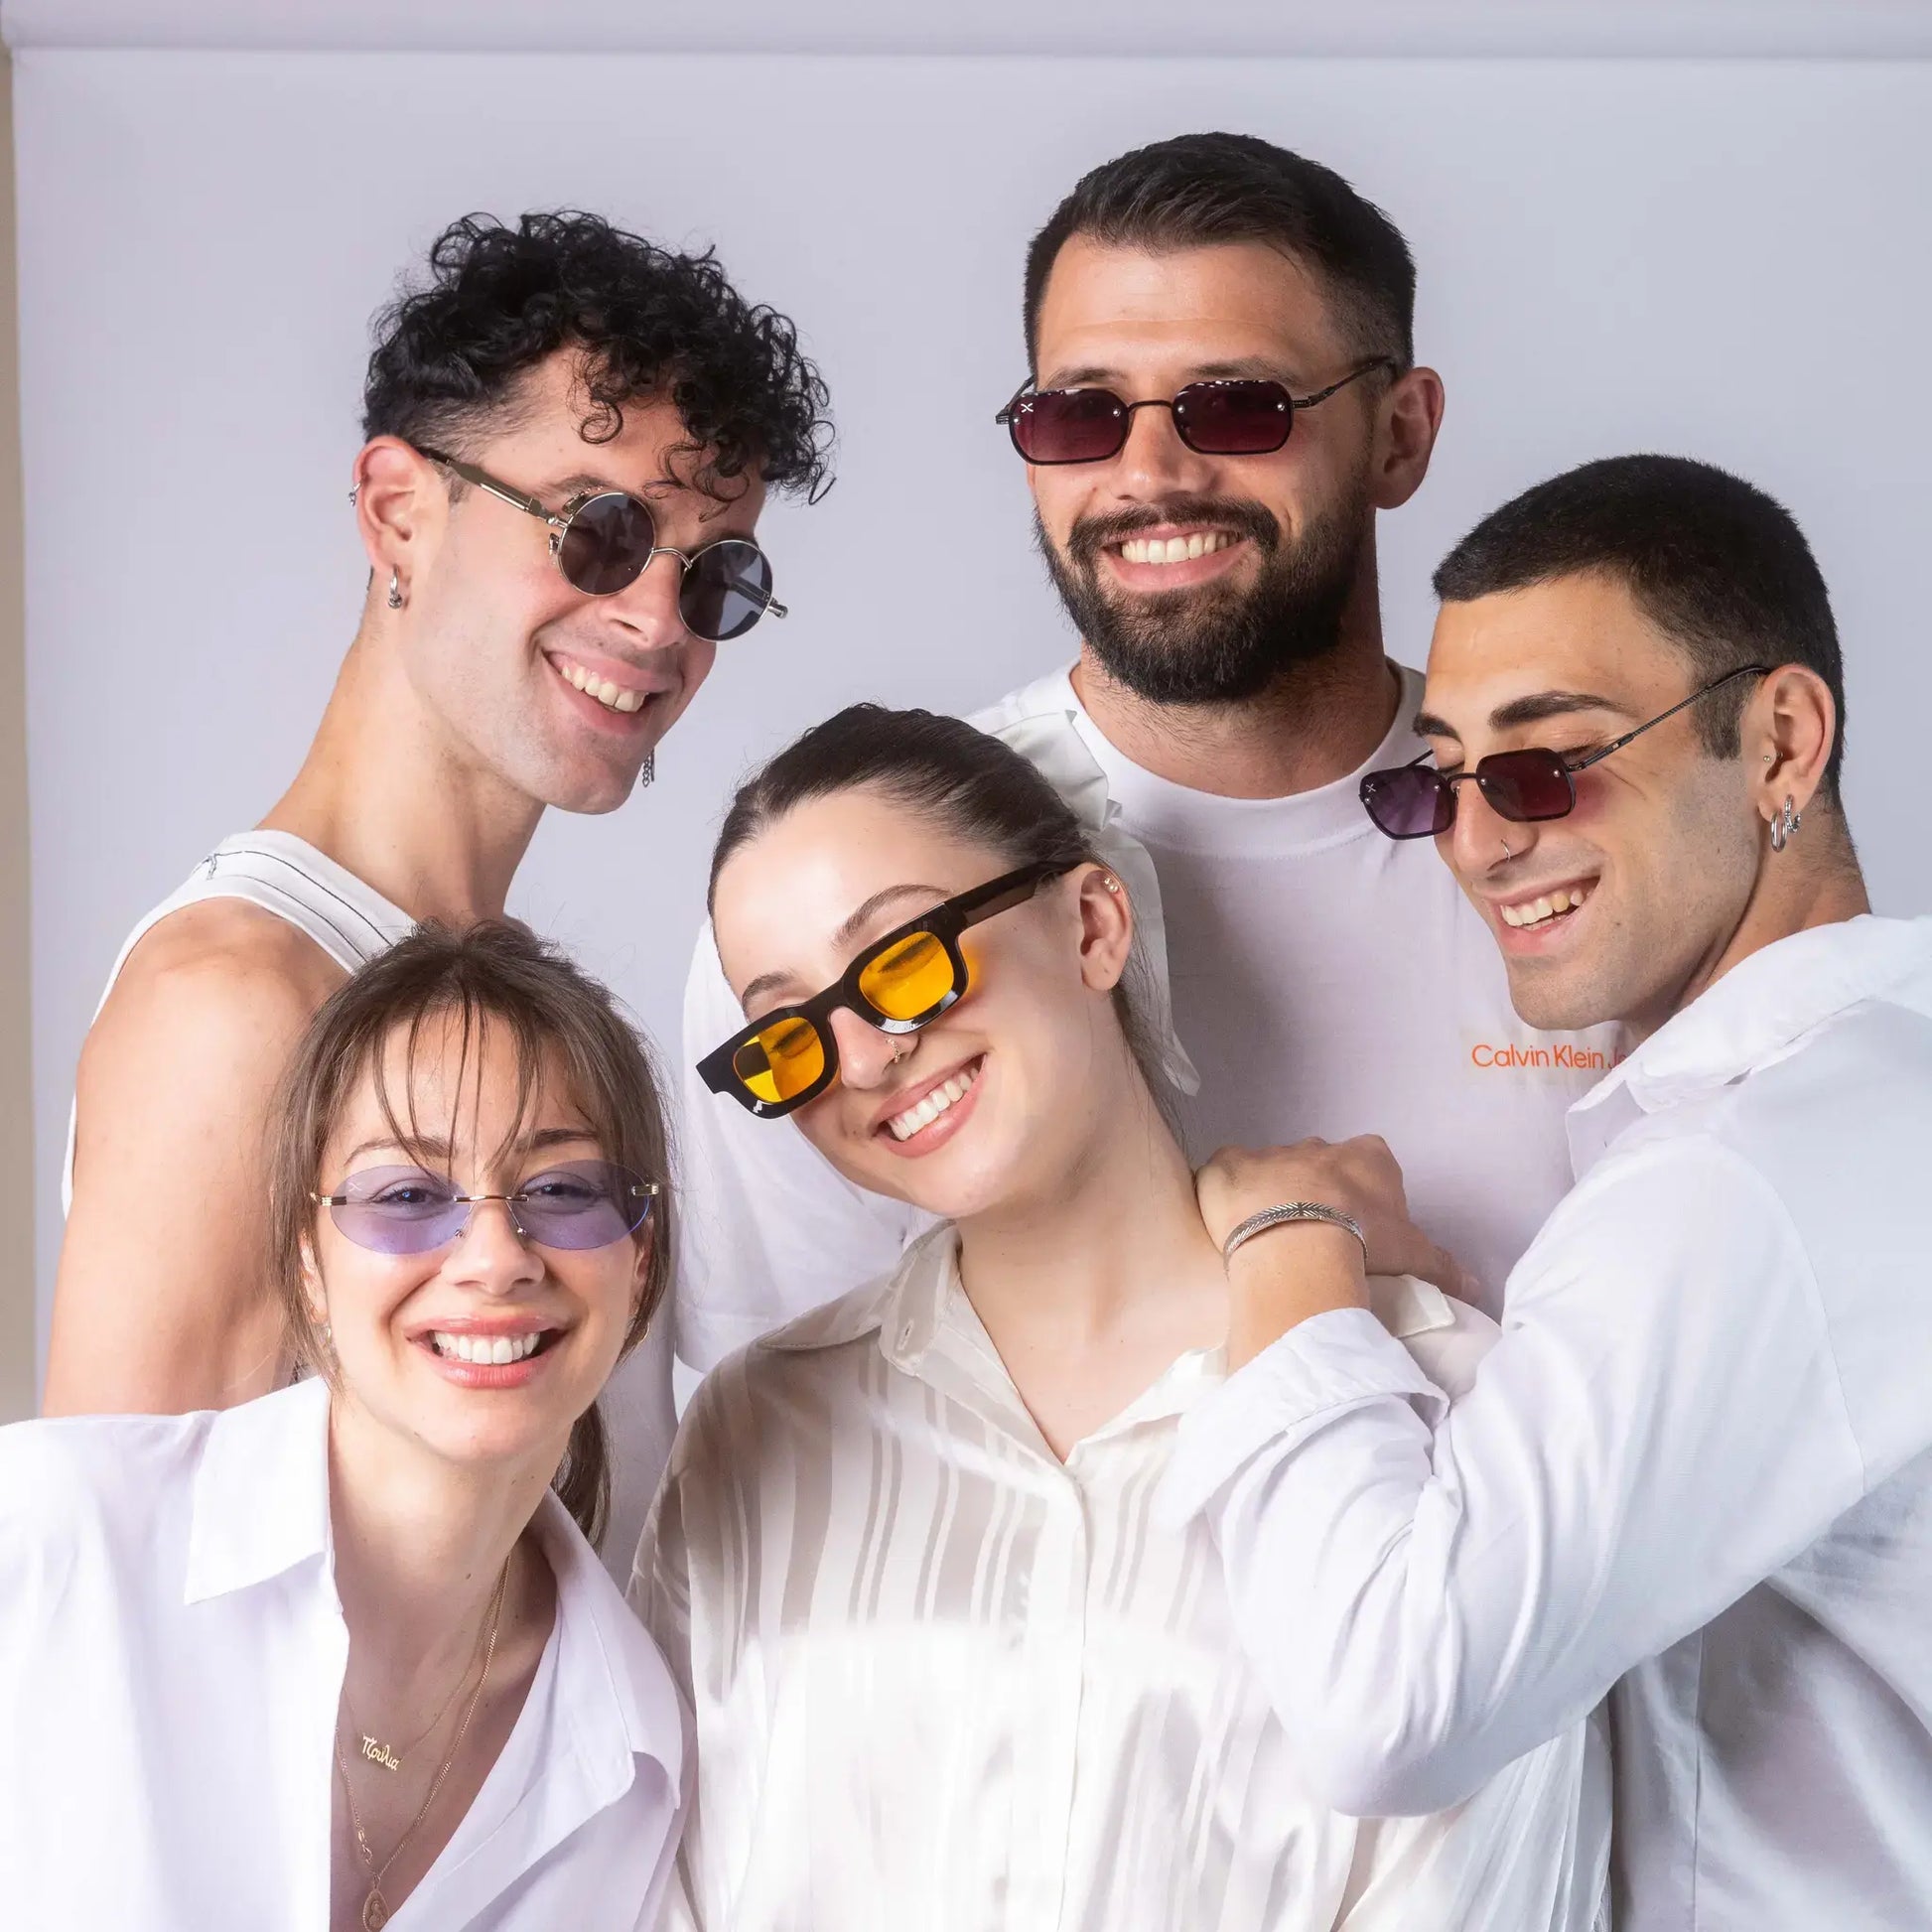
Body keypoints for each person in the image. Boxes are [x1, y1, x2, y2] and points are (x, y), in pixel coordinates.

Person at [634, 706, 1608, 1931]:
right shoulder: (752, 1428)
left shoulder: (1448, 1400)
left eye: (900, 959)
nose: (867, 1057)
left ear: (1091, 924)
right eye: (788, 1036)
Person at [677, 130, 1613, 1377]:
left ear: (1399, 434)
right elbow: (783, 1419)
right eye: (1079, 414)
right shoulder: (851, 908)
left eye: (1239, 405)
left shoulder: (1583, 832)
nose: (1149, 474)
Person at [1162, 456, 1932, 1926]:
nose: (1475, 837)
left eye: (1540, 763)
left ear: (1778, 741)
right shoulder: (1863, 1095)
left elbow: (1389, 1700)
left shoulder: (1742, 1176)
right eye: (1432, 779)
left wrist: (1289, 1252)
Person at [48, 210, 828, 1564]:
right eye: (597, 530)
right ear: (400, 511)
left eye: (714, 576)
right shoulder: (241, 1001)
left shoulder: (510, 987)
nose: (656, 620)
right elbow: (106, 1618)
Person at [0, 922, 688, 1928]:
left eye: (561, 1189)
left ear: (638, 1259)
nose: (495, 1255)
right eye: (407, 1193)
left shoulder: (634, 1758)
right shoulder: (50, 1534)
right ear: (309, 1264)